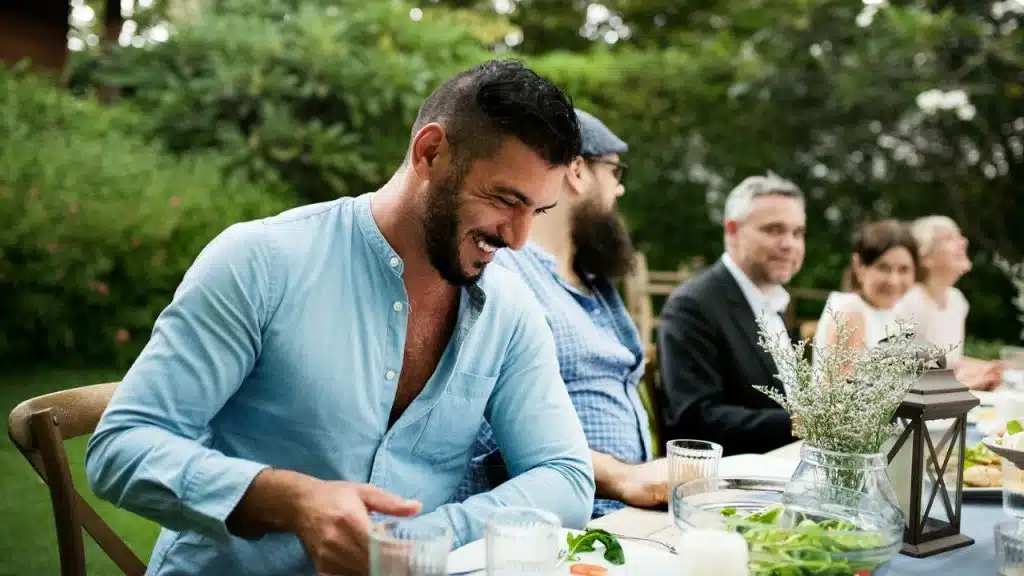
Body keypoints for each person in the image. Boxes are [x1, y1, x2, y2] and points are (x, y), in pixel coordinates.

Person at [84, 60, 596, 576]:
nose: (518, 238)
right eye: (505, 200)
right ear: (431, 153)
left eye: (538, 211)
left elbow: (565, 475)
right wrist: (289, 500)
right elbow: (121, 448)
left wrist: (414, 542)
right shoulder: (259, 261)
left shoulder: (510, 310)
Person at [452, 109, 668, 517]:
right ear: (578, 171)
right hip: (560, 528)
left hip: (631, 513)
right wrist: (624, 477)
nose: (619, 191)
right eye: (615, 172)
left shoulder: (596, 283)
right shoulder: (502, 274)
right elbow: (483, 432)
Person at [658, 172, 805, 456]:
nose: (790, 244)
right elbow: (694, 418)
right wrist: (801, 422)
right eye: (774, 230)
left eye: (798, 232)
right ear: (732, 231)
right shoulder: (691, 307)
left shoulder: (773, 303)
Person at [894, 215, 1003, 390]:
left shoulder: (957, 300)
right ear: (924, 257)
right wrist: (963, 383)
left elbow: (950, 362)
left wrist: (985, 368)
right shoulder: (910, 303)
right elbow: (902, 374)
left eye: (960, 236)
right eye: (948, 238)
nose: (963, 242)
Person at [814, 219, 918, 362]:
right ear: (859, 266)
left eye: (904, 269)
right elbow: (841, 383)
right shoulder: (850, 313)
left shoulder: (894, 313)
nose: (894, 281)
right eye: (883, 268)